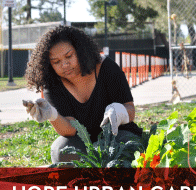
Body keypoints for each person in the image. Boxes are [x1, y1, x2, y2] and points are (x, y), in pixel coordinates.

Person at [24, 26, 142, 164]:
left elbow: (130, 110)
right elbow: (70, 130)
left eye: (69, 56)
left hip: (117, 135)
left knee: (128, 146)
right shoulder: (52, 83)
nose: (65, 64)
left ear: (80, 50)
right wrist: (52, 115)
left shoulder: (106, 67)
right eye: (56, 62)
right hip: (82, 143)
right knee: (61, 150)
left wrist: (119, 111)